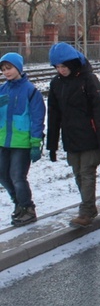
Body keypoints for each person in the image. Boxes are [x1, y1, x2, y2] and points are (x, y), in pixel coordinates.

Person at [47, 42, 100, 228]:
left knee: (87, 172)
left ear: (72, 63)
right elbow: (53, 115)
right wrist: (52, 145)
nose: (61, 70)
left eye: (64, 66)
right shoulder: (56, 83)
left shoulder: (88, 80)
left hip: (90, 137)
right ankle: (89, 207)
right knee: (78, 174)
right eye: (57, 67)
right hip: (71, 137)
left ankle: (86, 211)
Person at [0, 53, 45, 226]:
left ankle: (28, 208)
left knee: (17, 176)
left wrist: (35, 143)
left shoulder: (31, 91)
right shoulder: (2, 90)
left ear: (18, 68)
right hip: (3, 141)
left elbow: (37, 119)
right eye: (3, 70)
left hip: (21, 143)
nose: (6, 72)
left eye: (9, 68)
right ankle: (18, 203)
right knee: (3, 175)